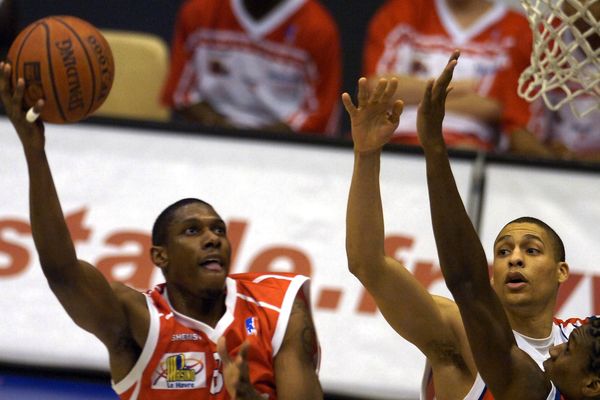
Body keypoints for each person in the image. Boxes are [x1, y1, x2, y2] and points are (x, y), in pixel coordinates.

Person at [0, 61, 322, 399]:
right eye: (192, 231)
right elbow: (62, 271)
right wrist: (34, 153)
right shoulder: (136, 319)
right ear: (160, 256)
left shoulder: (279, 306)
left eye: (218, 230)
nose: (212, 238)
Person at [342, 50, 591, 399]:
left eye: (531, 250)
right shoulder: (455, 331)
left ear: (562, 271)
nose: (514, 259)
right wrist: (366, 154)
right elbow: (367, 264)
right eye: (503, 251)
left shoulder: (581, 344)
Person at [417, 51, 600, 400]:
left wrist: (434, 149)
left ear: (592, 385)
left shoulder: (535, 387)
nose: (554, 349)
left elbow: (468, 284)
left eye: (569, 347)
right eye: (506, 250)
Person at [362, 0, 532, 151]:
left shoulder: (518, 30)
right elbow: (376, 89)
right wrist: (471, 86)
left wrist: (411, 93)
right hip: (394, 142)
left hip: (468, 149)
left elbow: (500, 107)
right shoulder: (403, 10)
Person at [161, 0, 342, 135]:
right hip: (210, 137)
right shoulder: (199, 11)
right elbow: (181, 94)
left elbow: (320, 118)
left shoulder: (318, 29)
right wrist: (222, 128)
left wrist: (258, 140)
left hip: (284, 148)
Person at [508, 0, 600, 162]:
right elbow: (515, 130)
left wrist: (582, 162)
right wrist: (555, 161)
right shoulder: (537, 40)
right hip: (548, 169)